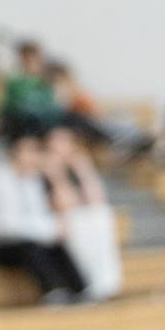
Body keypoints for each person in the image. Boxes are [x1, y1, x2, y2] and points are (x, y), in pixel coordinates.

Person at [0, 131, 87, 303]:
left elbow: (38, 217)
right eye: (29, 150)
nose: (34, 156)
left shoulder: (32, 180)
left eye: (37, 151)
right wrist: (49, 230)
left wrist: (52, 230)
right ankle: (53, 292)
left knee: (55, 245)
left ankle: (80, 290)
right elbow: (4, 227)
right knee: (32, 247)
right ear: (15, 152)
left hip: (18, 242)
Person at [43, 124, 122, 301]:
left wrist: (84, 170)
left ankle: (107, 283)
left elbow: (97, 199)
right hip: (57, 219)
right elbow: (65, 203)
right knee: (77, 221)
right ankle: (88, 283)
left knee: (101, 215)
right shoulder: (45, 170)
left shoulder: (77, 165)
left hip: (79, 215)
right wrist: (57, 174)